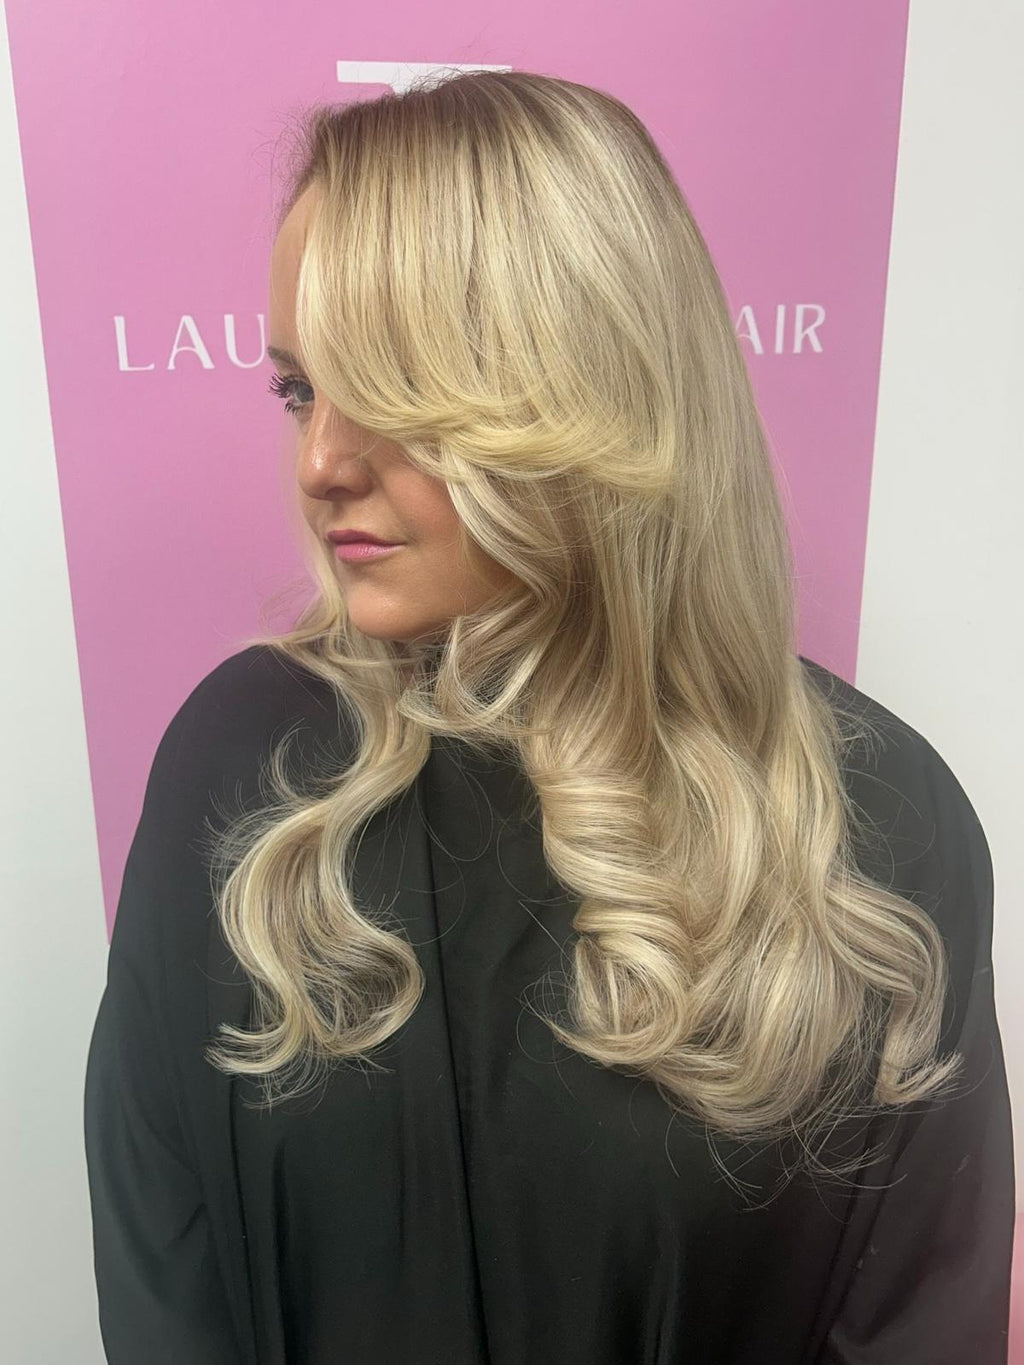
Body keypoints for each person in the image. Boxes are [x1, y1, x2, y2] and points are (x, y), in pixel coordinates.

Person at [83, 69, 1015, 1364]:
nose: (319, 463)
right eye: (301, 389)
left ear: (580, 386)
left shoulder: (874, 827)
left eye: (393, 386)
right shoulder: (243, 773)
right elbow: (165, 1275)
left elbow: (917, 1319)